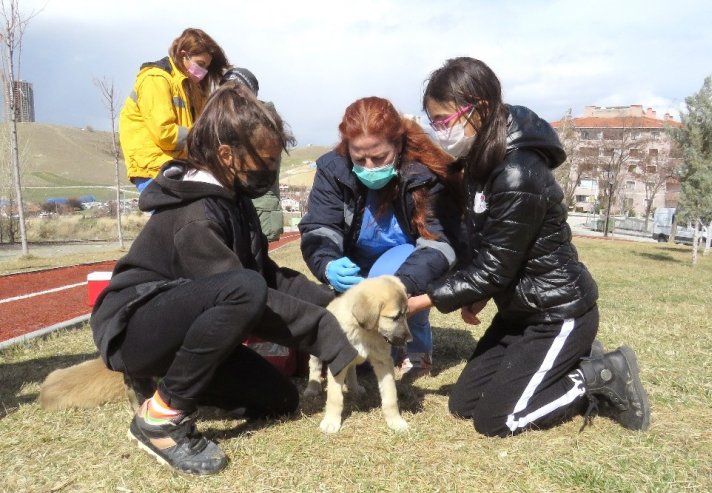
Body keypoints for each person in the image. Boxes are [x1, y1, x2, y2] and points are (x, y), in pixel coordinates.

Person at [91, 83, 358, 475]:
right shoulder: (196, 216)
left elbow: (267, 276)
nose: (270, 171)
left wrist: (335, 305)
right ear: (227, 155)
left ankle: (172, 380)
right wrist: (325, 332)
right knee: (243, 289)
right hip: (136, 325)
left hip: (187, 323)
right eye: (264, 161)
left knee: (279, 399)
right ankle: (161, 418)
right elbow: (248, 294)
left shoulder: (233, 199)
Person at [408, 57, 650, 437]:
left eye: (444, 120)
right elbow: (492, 245)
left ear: (480, 109)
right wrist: (478, 297)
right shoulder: (479, 163)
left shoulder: (518, 171)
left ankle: (597, 375)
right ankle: (568, 361)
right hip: (519, 313)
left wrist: (422, 301)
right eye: (433, 121)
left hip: (556, 313)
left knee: (498, 421)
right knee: (463, 405)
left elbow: (495, 268)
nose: (439, 131)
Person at [299, 96, 464, 377]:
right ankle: (375, 348)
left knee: (390, 282)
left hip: (405, 255)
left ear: (398, 146)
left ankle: (416, 351)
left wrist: (401, 285)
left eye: (379, 157)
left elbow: (440, 242)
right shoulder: (331, 170)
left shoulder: (426, 172)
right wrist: (327, 264)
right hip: (353, 257)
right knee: (359, 360)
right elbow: (320, 227)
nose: (370, 166)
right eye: (359, 158)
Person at [120, 28, 230, 193]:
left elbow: (201, 126)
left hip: (179, 167)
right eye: (200, 64)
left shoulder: (194, 89)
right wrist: (203, 138)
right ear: (183, 55)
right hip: (154, 169)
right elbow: (164, 133)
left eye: (206, 66)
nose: (203, 71)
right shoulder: (156, 79)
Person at [221, 67, 284, 241]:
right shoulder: (225, 118)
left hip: (258, 205)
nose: (230, 99)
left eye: (236, 90)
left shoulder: (263, 124)